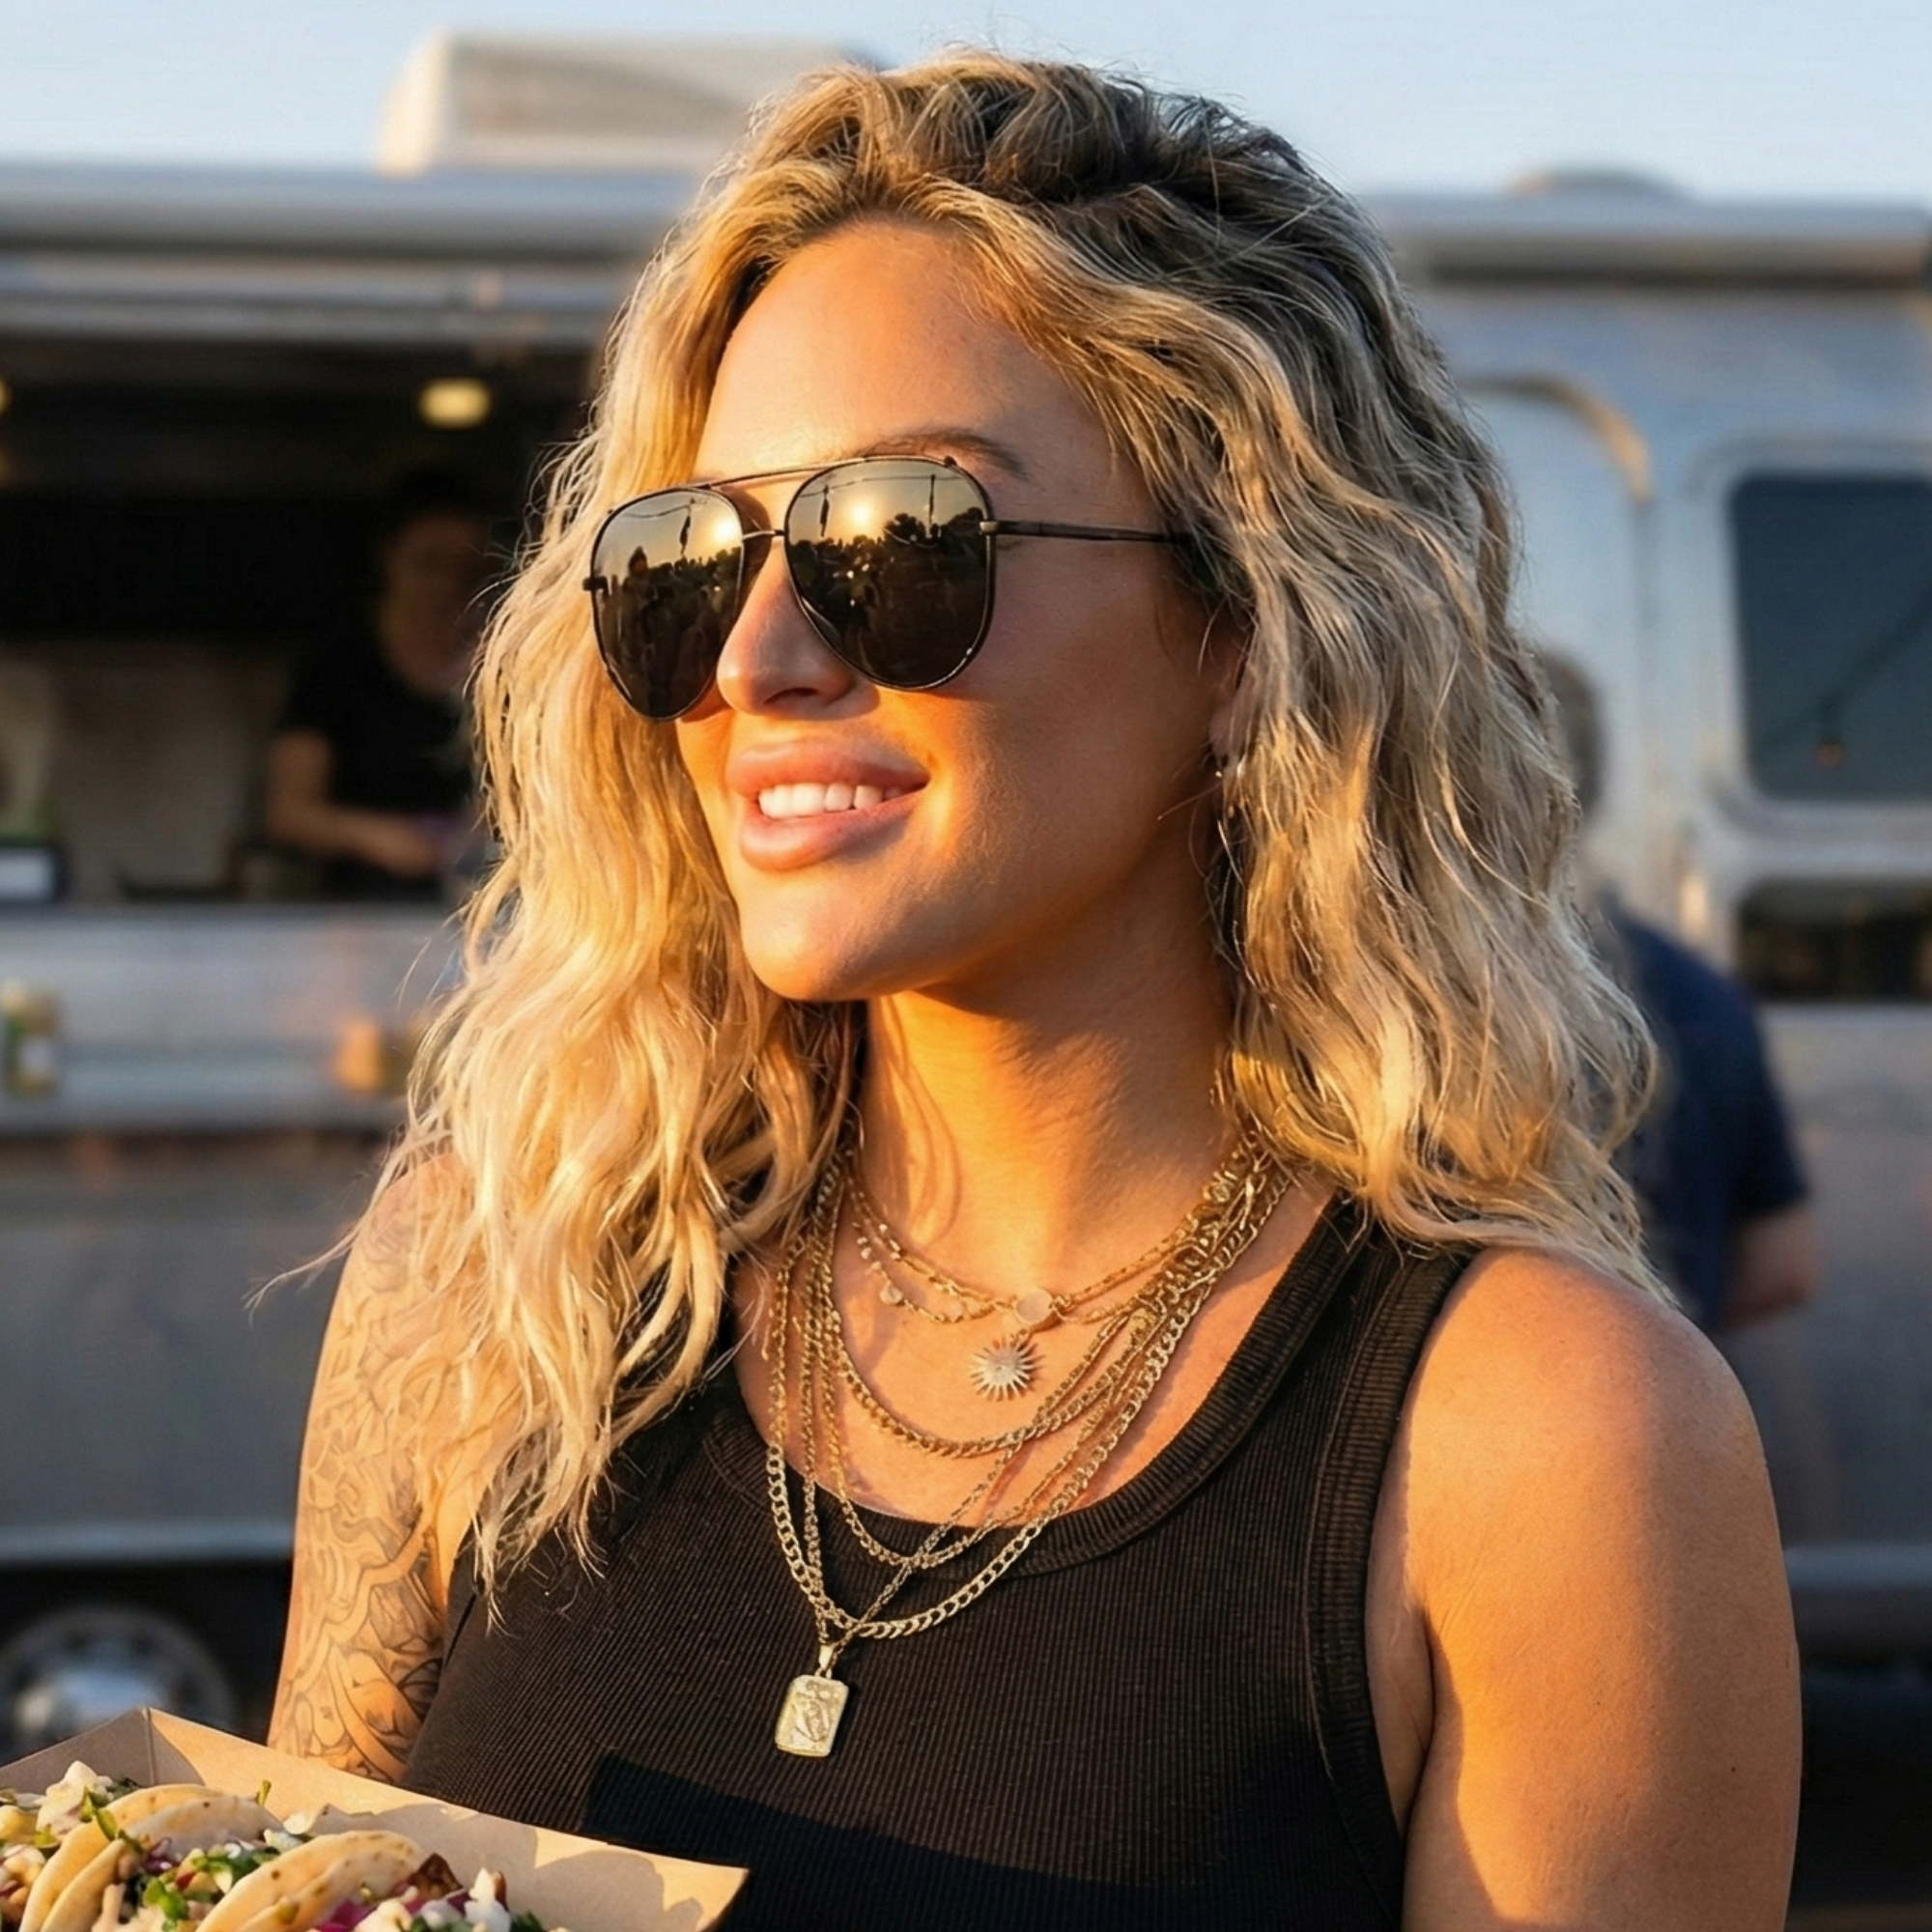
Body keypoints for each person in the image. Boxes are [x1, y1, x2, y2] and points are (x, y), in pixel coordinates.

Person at [270, 56, 1800, 1930]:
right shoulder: (499, 1283)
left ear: (1244, 630)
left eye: (896, 543)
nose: (754, 659)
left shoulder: (1547, 1441)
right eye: (692, 561)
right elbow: (293, 1887)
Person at [1541, 656, 1821, 1332]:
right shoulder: (1709, 997)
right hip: (1687, 1378)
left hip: (1505, 1388)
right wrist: (1675, 1341)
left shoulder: (1450, 1008)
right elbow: (1786, 1264)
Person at [263, 472, 489, 898]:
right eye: (429, 563)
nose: (447, 585)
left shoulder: (499, 660)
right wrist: (379, 838)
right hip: (358, 912)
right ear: (388, 556)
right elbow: (288, 813)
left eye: (467, 570)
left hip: (480, 902)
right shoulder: (340, 663)